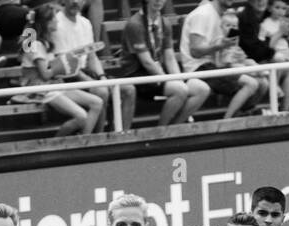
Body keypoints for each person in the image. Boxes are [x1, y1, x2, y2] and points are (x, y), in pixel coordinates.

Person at [120, 0, 207, 127]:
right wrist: (168, 80)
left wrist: (179, 78)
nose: (158, 1)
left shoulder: (164, 23)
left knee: (201, 89)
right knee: (179, 90)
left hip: (158, 72)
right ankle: (161, 129)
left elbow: (170, 57)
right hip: (137, 74)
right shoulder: (135, 24)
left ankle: (175, 126)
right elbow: (146, 62)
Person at [18, 3, 101, 137]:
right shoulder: (35, 44)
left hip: (55, 85)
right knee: (82, 117)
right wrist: (62, 65)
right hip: (40, 90)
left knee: (97, 103)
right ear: (46, 22)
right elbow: (45, 74)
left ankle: (84, 142)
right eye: (54, 19)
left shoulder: (47, 42)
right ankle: (57, 144)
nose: (57, 21)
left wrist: (68, 63)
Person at [50, 0, 130, 132]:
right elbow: (64, 64)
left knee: (128, 90)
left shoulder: (86, 23)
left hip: (85, 71)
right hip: (67, 75)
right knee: (102, 91)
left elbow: (92, 57)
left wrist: (102, 76)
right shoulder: (56, 23)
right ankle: (98, 136)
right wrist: (92, 82)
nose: (76, 2)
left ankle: (120, 134)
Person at [178, 0, 263, 119]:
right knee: (251, 83)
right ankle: (227, 120)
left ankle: (243, 116)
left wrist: (236, 56)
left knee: (262, 82)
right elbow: (195, 51)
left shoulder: (222, 16)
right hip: (198, 68)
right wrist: (220, 46)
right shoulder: (202, 14)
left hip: (215, 65)